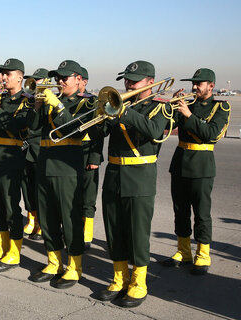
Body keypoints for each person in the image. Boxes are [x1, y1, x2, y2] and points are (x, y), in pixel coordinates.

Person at [93, 61, 172, 307]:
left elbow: (155, 131)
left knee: (137, 232)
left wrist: (124, 112)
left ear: (150, 82)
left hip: (140, 175)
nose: (128, 84)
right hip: (114, 173)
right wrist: (101, 115)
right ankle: (120, 278)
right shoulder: (120, 104)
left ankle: (139, 282)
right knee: (114, 229)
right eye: (126, 80)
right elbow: (102, 132)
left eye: (133, 80)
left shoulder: (161, 107)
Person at [28, 60, 102, 289]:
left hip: (67, 167)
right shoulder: (51, 101)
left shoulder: (87, 103)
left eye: (65, 78)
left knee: (70, 219)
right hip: (45, 164)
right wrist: (38, 108)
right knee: (47, 216)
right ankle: (54, 262)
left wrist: (58, 107)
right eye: (58, 78)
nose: (60, 82)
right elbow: (32, 128)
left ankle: (74, 267)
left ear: (79, 79)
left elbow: (74, 128)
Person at [162, 68, 230, 275]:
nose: (194, 87)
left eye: (198, 84)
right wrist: (172, 107)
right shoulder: (187, 105)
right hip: (180, 163)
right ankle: (183, 252)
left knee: (201, 213)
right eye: (193, 83)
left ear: (211, 86)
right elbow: (166, 125)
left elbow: (211, 134)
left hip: (201, 166)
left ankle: (203, 255)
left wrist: (189, 115)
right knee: (180, 211)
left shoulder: (221, 107)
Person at [0, 58, 34, 272]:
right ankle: (1, 247)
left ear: (20, 76)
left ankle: (14, 252)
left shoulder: (28, 100)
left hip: (11, 156)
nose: (3, 78)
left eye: (7, 74)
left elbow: (18, 127)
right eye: (1, 74)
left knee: (11, 206)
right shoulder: (0, 97)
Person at [21, 68, 50, 241]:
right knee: (27, 187)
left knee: (42, 189)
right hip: (27, 149)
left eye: (38, 80)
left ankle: (43, 223)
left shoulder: (52, 101)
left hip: (41, 149)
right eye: (34, 80)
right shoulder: (28, 100)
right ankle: (32, 219)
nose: (35, 83)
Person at [76, 66, 102, 250]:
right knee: (72, 196)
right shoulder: (66, 101)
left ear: (84, 82)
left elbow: (98, 134)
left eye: (80, 80)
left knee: (88, 197)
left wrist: (94, 158)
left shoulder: (92, 102)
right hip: (70, 152)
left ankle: (87, 234)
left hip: (87, 151)